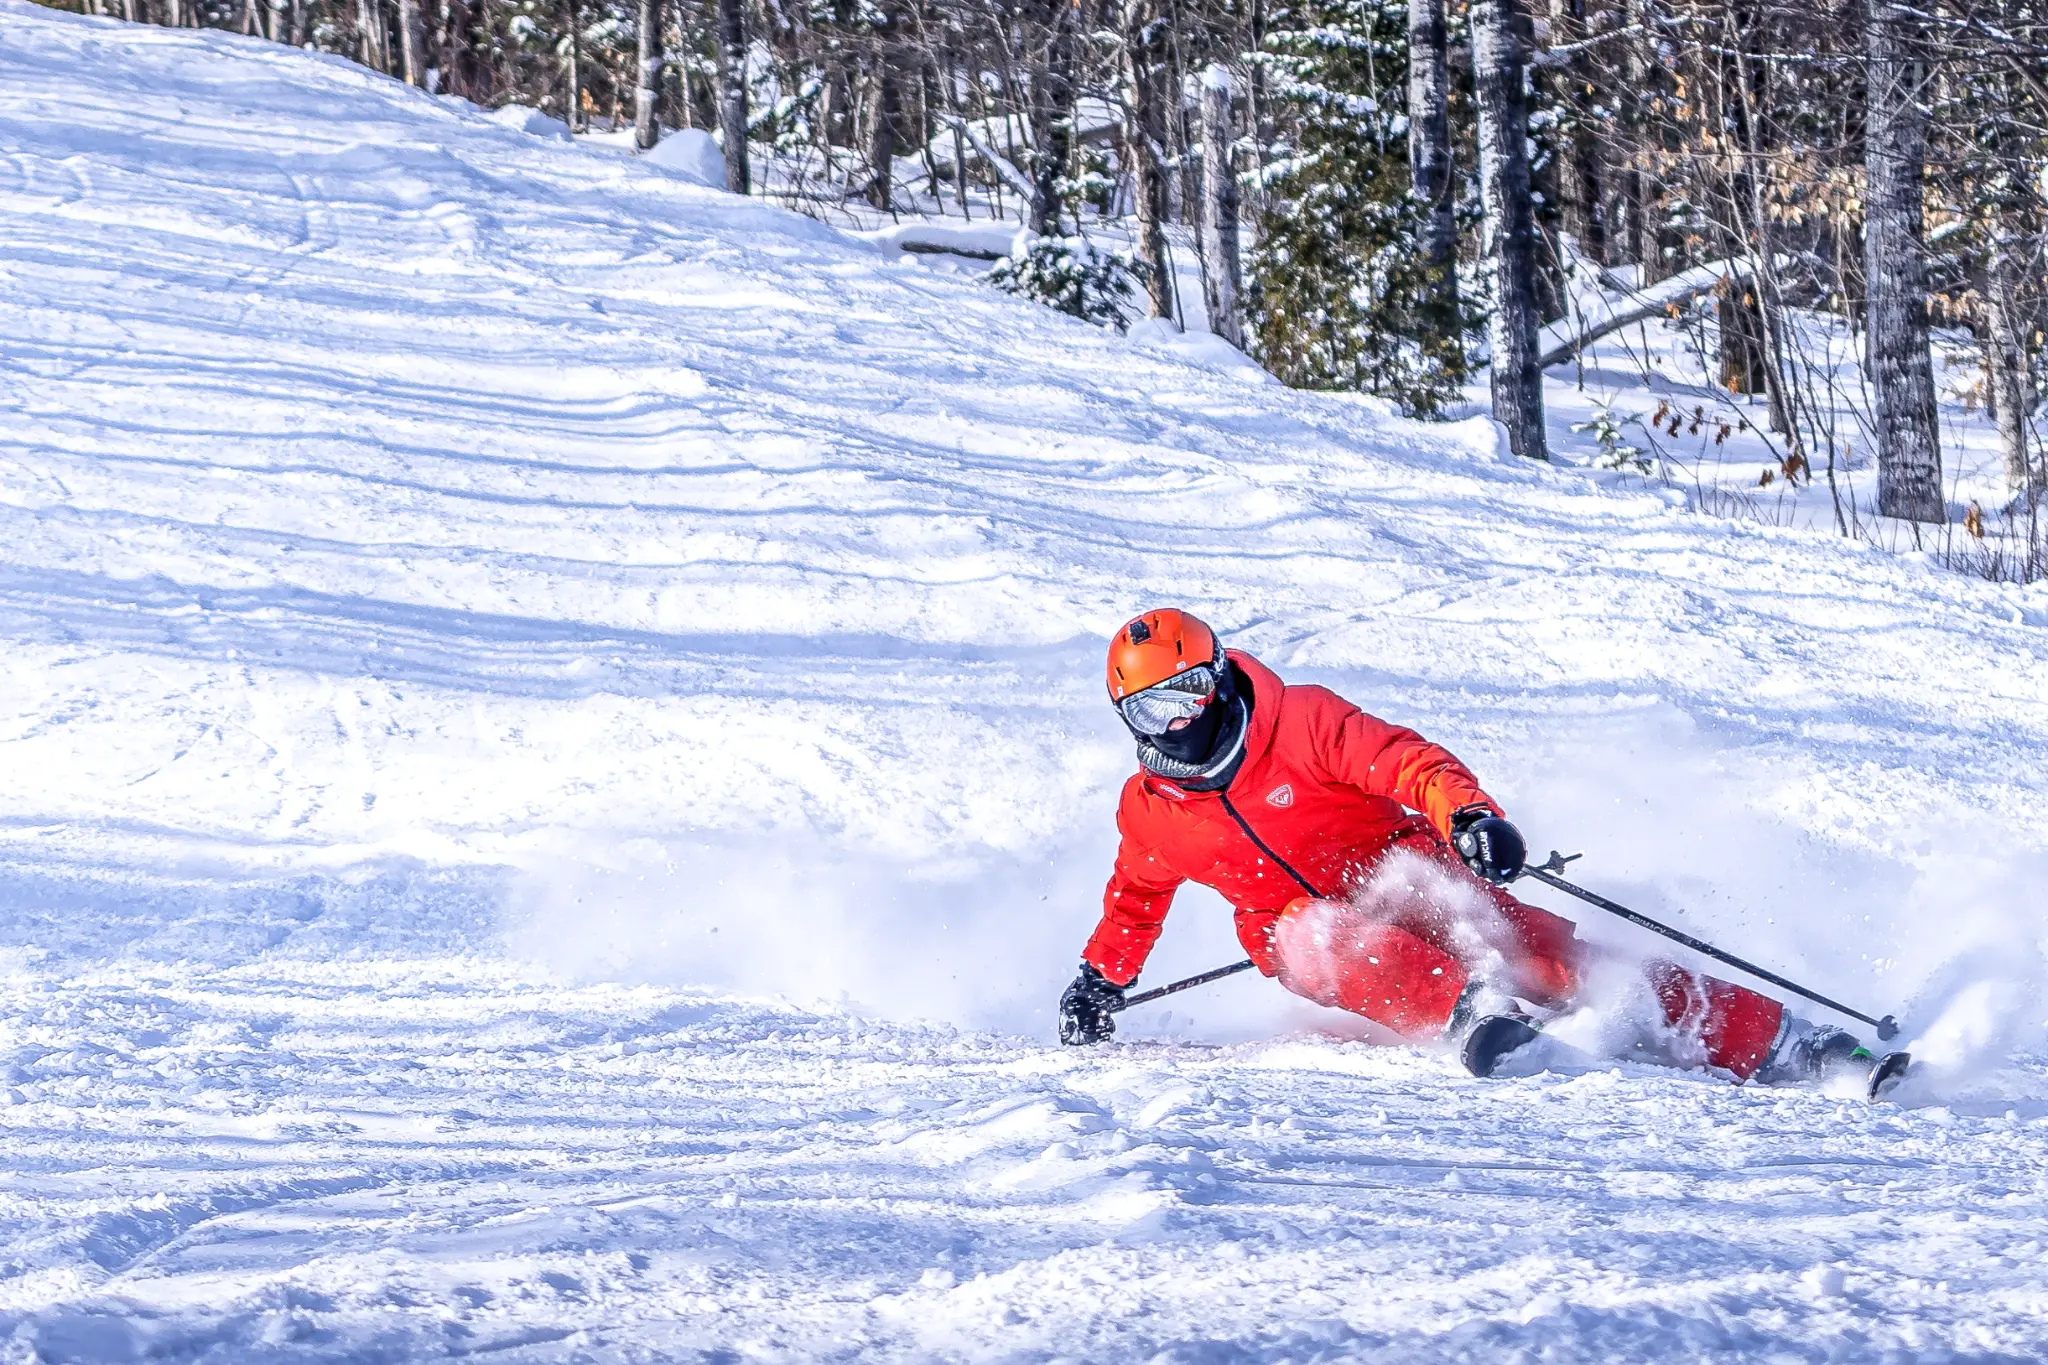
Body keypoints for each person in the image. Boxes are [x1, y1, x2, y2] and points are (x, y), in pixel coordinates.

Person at [1058, 608, 1886, 1086]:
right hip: (1300, 925)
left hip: (1403, 869)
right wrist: (1101, 978)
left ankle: (1785, 1043)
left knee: (1550, 957)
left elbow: (1404, 761)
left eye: (1191, 693)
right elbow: (1134, 900)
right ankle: (1471, 1015)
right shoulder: (1154, 812)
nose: (1181, 722)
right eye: (1152, 711)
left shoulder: (1297, 719)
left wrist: (1468, 816)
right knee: (1311, 936)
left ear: (1218, 674)